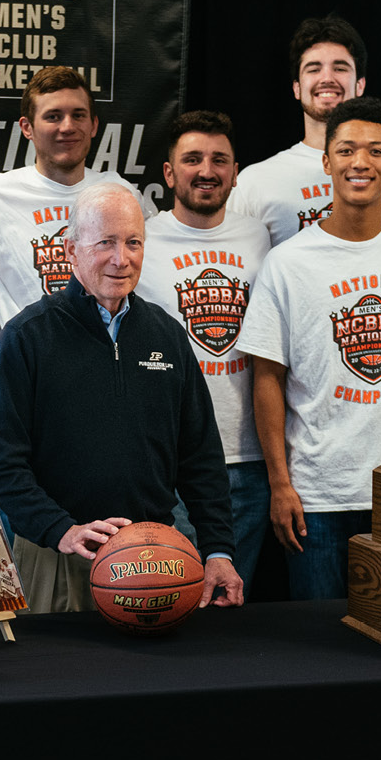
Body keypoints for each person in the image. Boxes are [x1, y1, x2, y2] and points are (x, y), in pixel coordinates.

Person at [0, 182, 242, 612]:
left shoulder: (167, 336)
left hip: (157, 562)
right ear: (70, 250)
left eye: (133, 242)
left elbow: (201, 459)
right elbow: (1, 465)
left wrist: (218, 551)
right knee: (55, 681)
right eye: (105, 243)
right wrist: (59, 528)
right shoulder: (26, 338)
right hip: (59, 559)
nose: (121, 259)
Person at [238, 97, 381, 600]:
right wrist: (280, 484)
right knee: (323, 650)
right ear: (327, 161)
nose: (361, 162)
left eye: (376, 151)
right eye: (347, 150)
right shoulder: (288, 263)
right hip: (320, 494)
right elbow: (267, 378)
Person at [132, 110, 273, 592]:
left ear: (235, 172)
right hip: (173, 462)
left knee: (233, 603)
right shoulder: (142, 242)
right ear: (169, 172)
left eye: (219, 160)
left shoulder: (260, 237)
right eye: (192, 159)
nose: (206, 170)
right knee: (177, 600)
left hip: (247, 456)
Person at [0, 65, 155, 326]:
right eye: (53, 116)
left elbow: (153, 261)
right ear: (27, 127)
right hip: (27, 359)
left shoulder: (121, 193)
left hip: (108, 353)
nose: (67, 127)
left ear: (94, 125)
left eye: (78, 115)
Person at [228, 15, 381, 246]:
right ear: (297, 88)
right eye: (313, 69)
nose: (327, 78)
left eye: (340, 68)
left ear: (360, 85)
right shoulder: (254, 183)